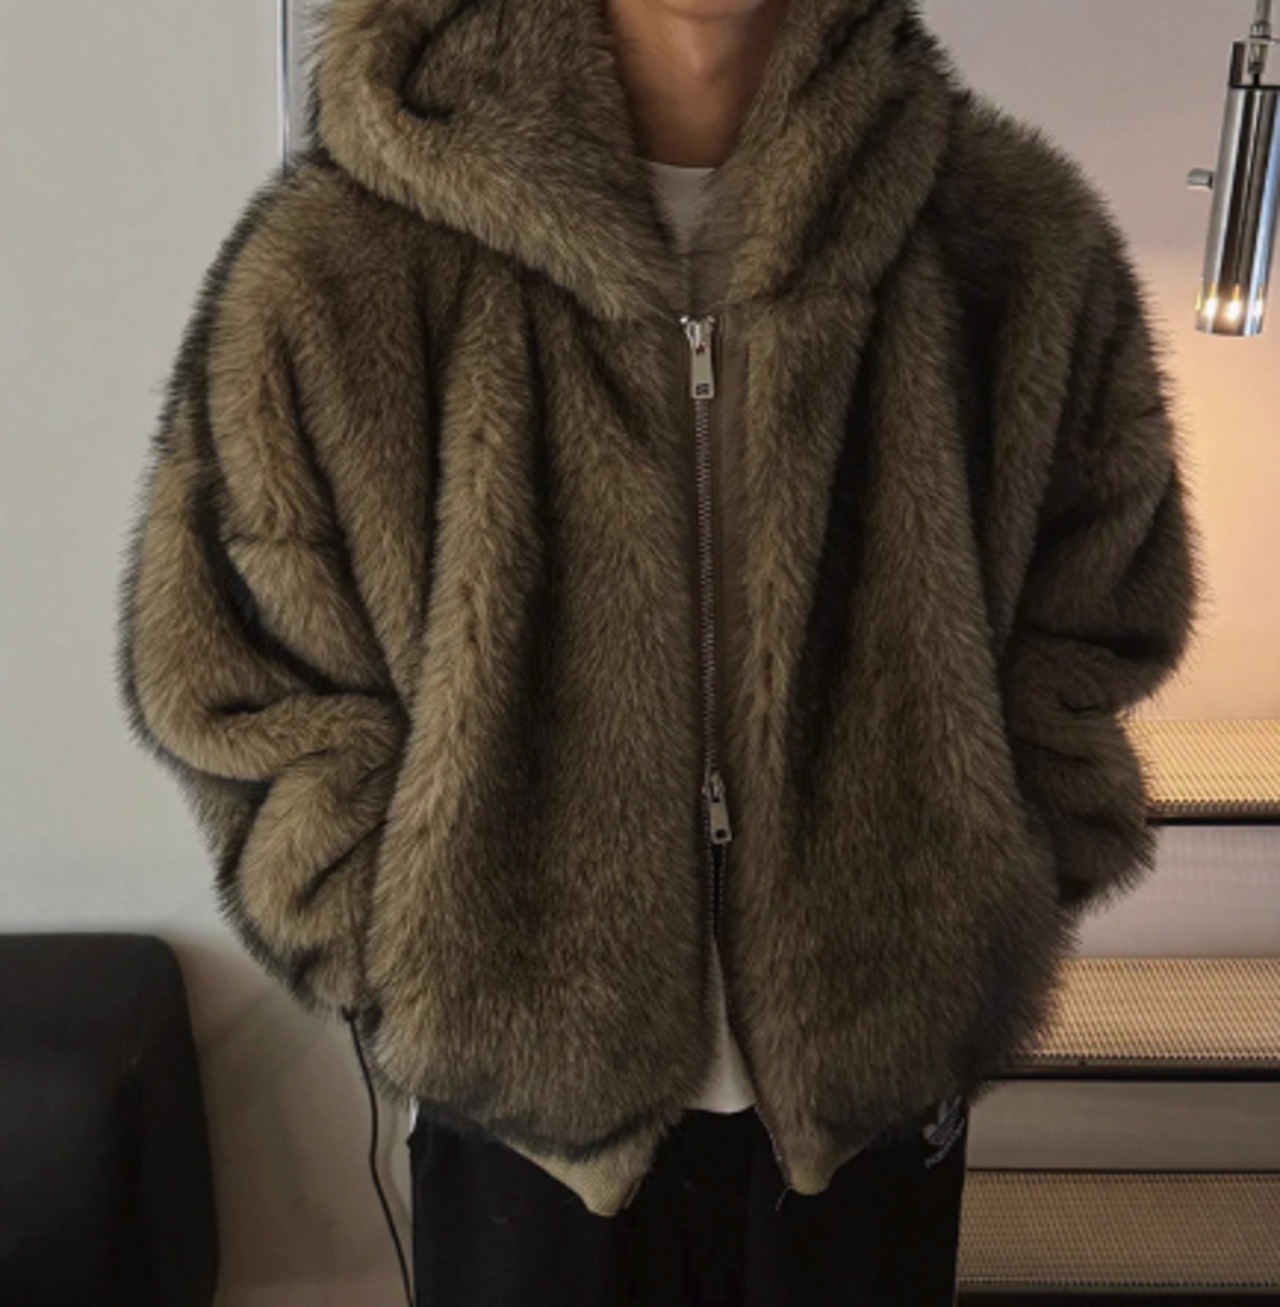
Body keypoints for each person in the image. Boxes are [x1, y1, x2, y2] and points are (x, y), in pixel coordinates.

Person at [114, 0, 1204, 1303]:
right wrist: (408, 951)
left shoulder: (1011, 242)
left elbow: (1100, 607)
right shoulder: (343, 267)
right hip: (526, 1117)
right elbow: (234, 666)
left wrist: (981, 885)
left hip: (875, 1086)